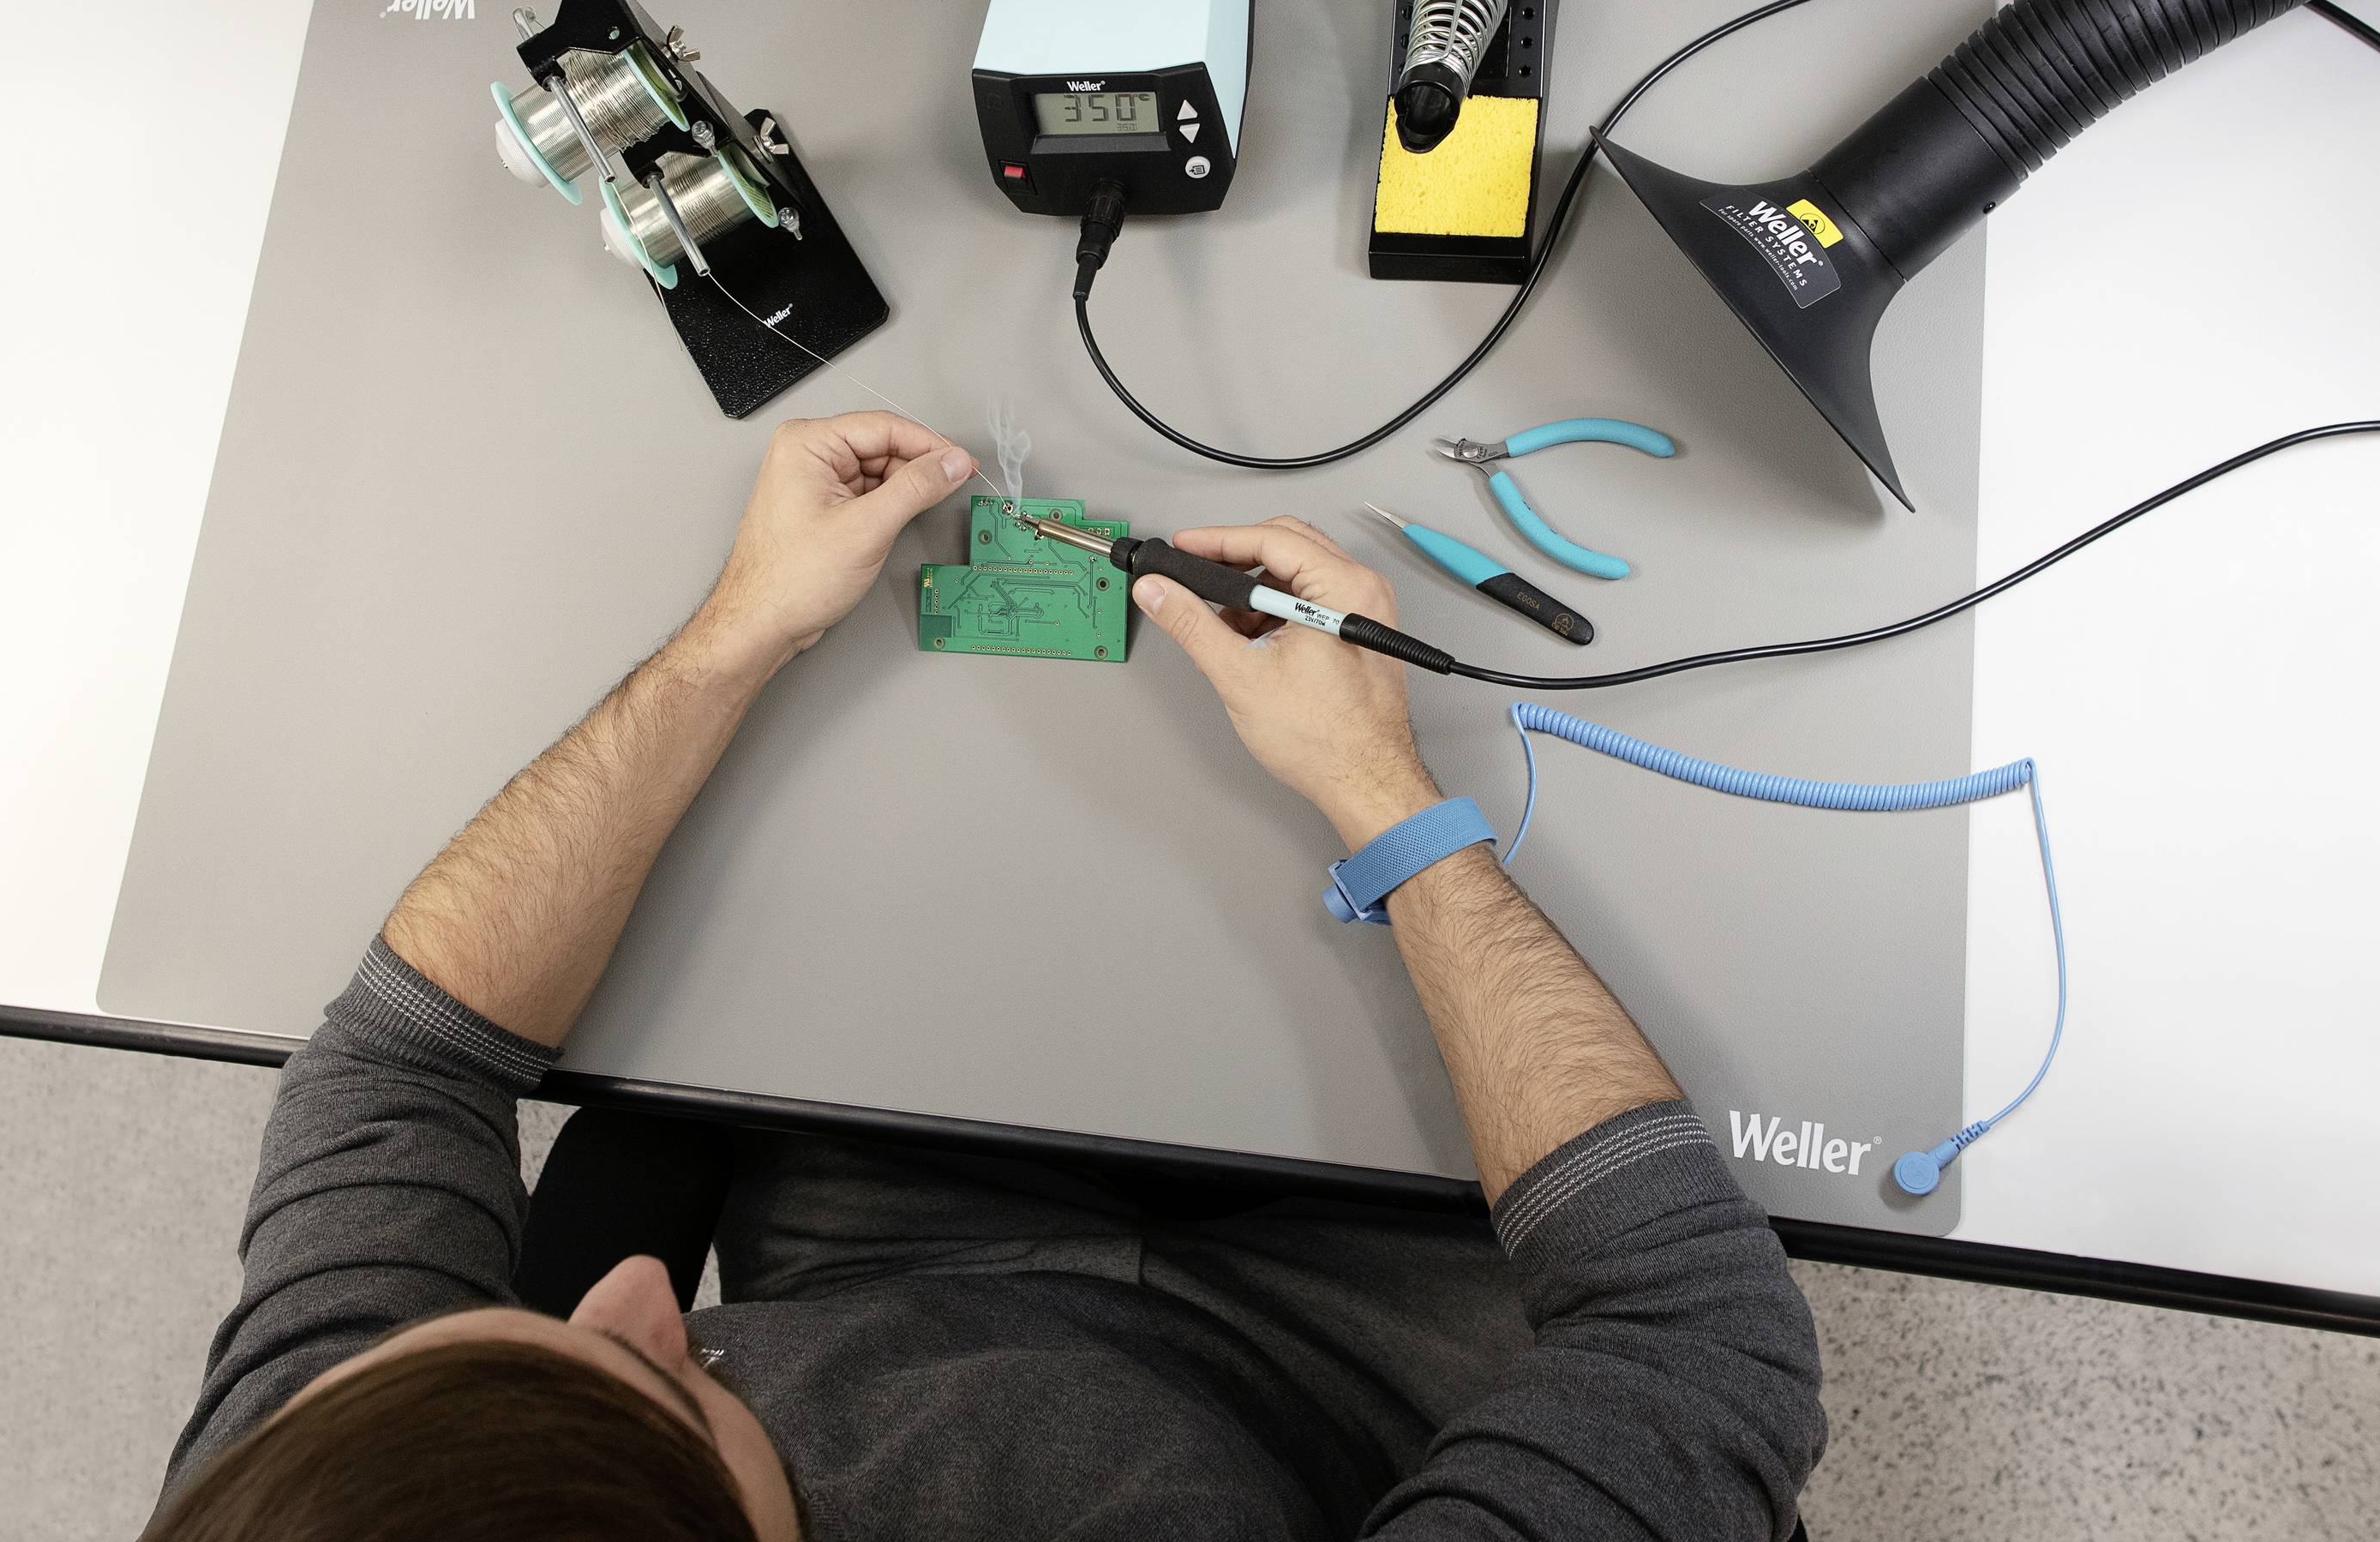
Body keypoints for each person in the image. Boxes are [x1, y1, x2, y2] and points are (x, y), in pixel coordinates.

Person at [142, 411, 1825, 1541]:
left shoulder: (328, 1484)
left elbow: (394, 1063)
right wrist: (1390, 802)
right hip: (1348, 1358)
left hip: (898, 1252)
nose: (649, 1292)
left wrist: (742, 629)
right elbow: (1697, 1331)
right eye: (667, 1382)